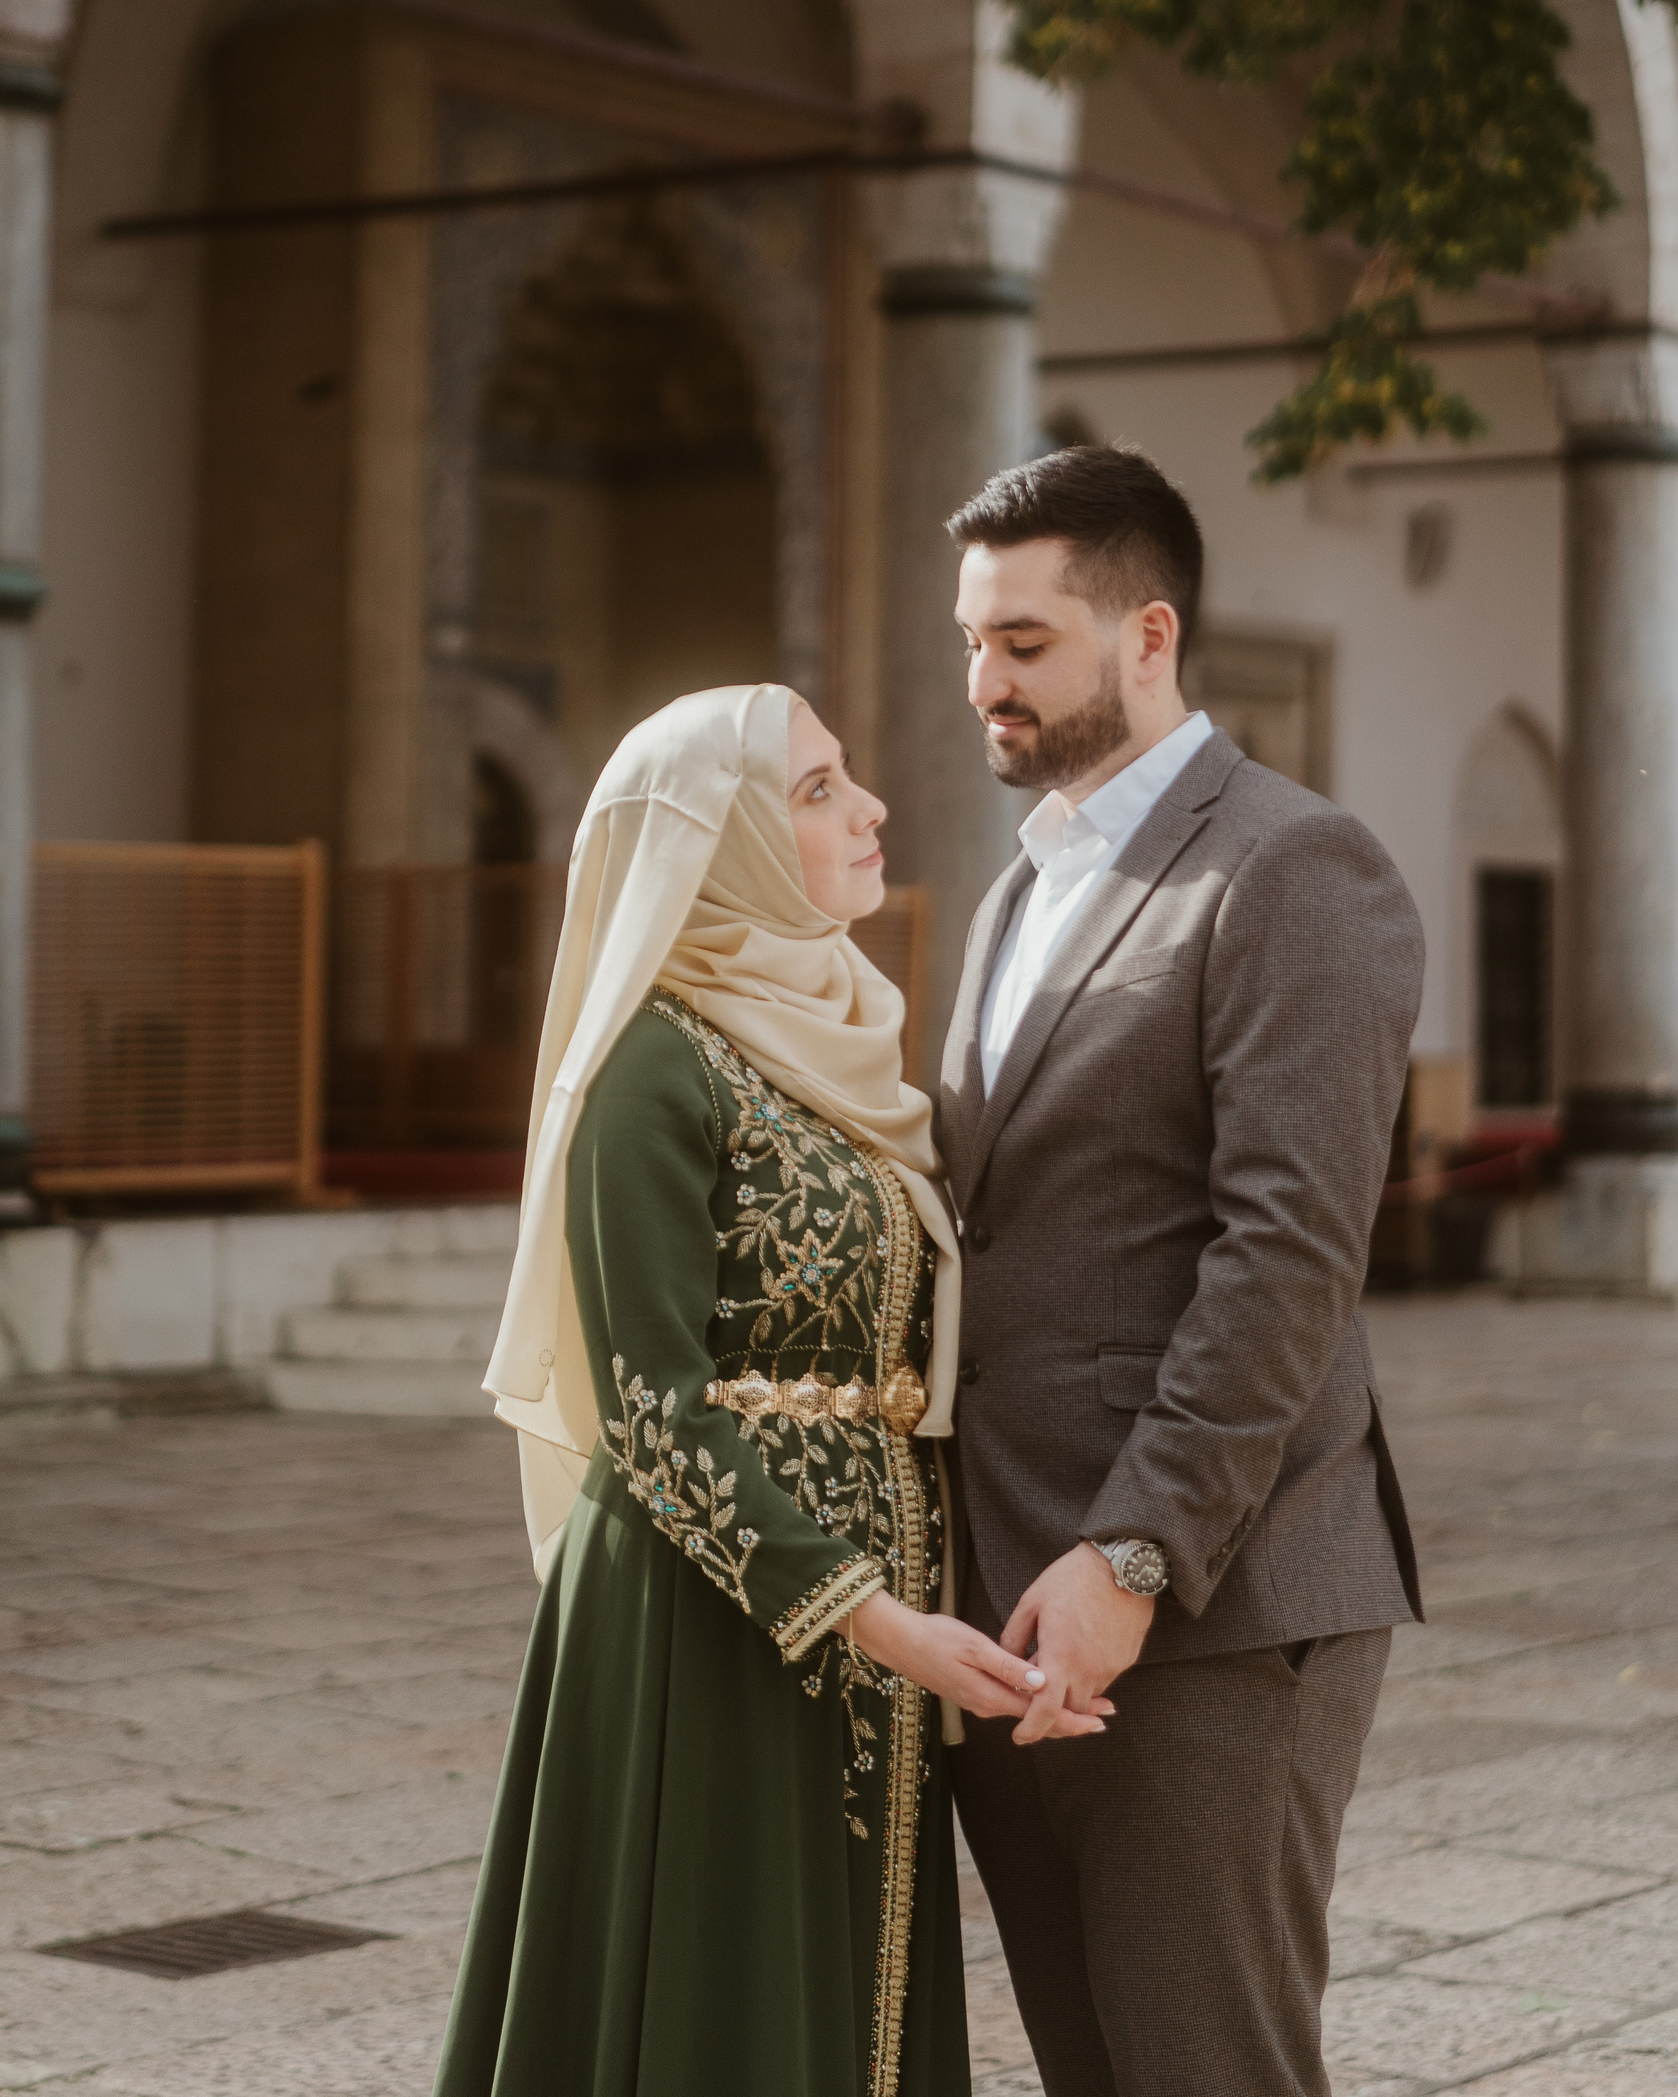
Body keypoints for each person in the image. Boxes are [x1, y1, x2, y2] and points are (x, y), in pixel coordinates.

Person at [434, 682, 1086, 2097]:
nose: (870, 807)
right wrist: (876, 1618)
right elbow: (656, 1411)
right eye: (815, 789)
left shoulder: (847, 1046)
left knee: (853, 2001)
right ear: (715, 842)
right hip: (709, 1619)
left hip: (882, 1613)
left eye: (848, 776)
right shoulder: (648, 1070)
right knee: (728, 2003)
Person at [937, 444, 1427, 2097]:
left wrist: (1133, 1555)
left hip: (1212, 1615)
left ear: (1149, 636)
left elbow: (1289, 1249)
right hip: (1013, 1619)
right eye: (973, 642)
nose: (984, 683)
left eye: (1025, 643)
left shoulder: (1295, 865)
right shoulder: (1018, 891)